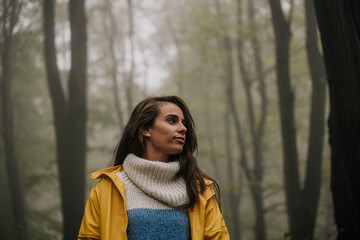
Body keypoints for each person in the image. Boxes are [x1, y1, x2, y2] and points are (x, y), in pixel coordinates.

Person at [78, 96, 229, 240]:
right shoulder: (107, 190)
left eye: (183, 123)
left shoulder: (200, 191)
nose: (183, 128)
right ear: (146, 129)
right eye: (172, 120)